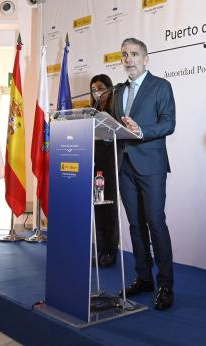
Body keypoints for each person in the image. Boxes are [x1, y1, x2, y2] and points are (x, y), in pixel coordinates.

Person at [112, 38, 176, 310]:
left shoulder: (161, 86)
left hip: (151, 165)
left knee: (155, 222)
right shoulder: (117, 91)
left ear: (146, 59)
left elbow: (169, 123)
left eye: (135, 54)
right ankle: (143, 277)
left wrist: (142, 132)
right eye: (124, 54)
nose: (129, 59)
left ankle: (165, 284)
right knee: (136, 225)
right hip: (124, 165)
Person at [90, 74, 119, 267]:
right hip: (94, 164)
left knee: (109, 209)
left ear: (109, 88)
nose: (96, 92)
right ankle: (100, 250)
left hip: (111, 163)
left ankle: (111, 252)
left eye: (100, 88)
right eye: (93, 89)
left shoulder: (116, 110)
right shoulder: (91, 111)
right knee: (98, 207)